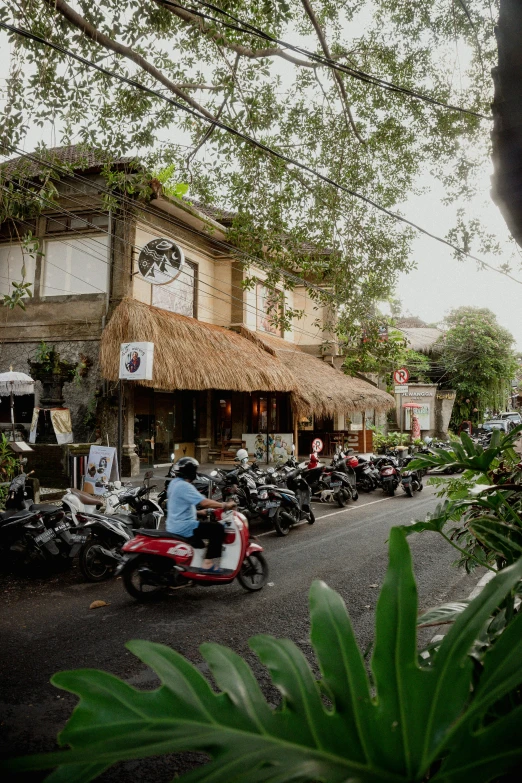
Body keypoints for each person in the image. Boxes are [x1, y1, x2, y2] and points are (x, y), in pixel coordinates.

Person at [166, 457, 235, 573]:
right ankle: (207, 564)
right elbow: (204, 502)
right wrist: (224, 505)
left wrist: (198, 513)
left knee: (201, 545)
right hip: (185, 527)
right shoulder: (185, 486)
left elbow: (178, 506)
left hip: (173, 525)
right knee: (217, 529)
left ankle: (190, 569)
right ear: (191, 472)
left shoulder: (173, 483)